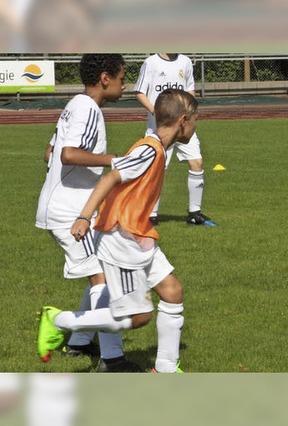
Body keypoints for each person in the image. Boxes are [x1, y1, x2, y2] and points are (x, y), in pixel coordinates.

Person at [37, 88, 198, 373]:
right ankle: (59, 320)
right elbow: (112, 175)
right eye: (196, 119)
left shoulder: (157, 148)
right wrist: (85, 217)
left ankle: (166, 370)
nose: (197, 125)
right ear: (184, 120)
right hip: (123, 238)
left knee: (172, 291)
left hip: (141, 235)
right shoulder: (148, 150)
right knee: (139, 317)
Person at [35, 54, 140, 371]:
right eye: (123, 77)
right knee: (104, 279)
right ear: (106, 78)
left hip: (69, 206)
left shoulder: (76, 105)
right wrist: (115, 161)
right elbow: (67, 154)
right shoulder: (88, 108)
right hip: (69, 212)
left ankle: (79, 342)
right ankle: (112, 359)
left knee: (102, 271)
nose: (125, 84)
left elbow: (50, 152)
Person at [134, 53, 215, 226]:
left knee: (197, 163)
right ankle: (151, 214)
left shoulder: (185, 62)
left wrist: (187, 114)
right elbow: (140, 93)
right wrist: (158, 113)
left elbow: (190, 91)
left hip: (183, 126)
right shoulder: (151, 63)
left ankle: (195, 213)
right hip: (160, 128)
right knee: (157, 169)